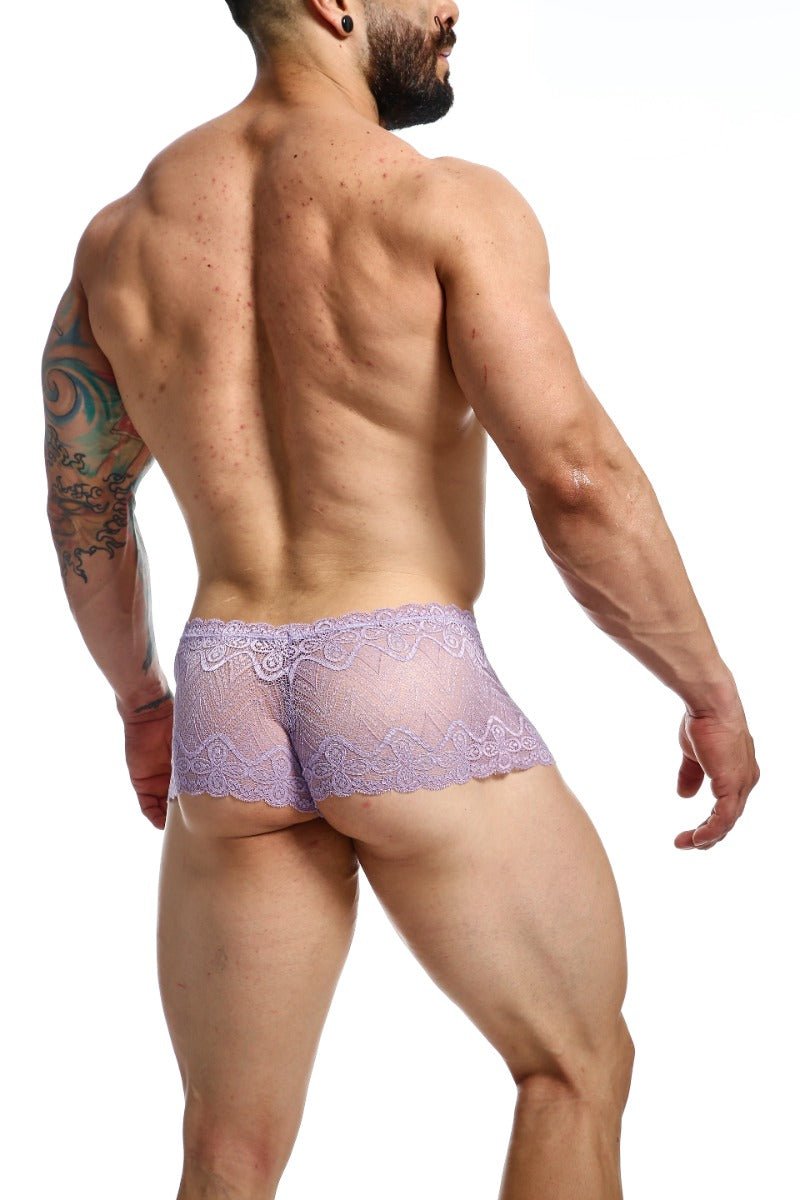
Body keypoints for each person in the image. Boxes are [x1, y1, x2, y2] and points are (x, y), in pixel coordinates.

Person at [41, 1, 760, 1197]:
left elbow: (85, 506)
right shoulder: (435, 202)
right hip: (397, 672)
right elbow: (574, 477)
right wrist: (704, 686)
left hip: (226, 691)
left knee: (226, 1151)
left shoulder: (121, 239)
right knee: (572, 1067)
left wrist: (140, 702)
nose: (448, 8)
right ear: (334, 3)